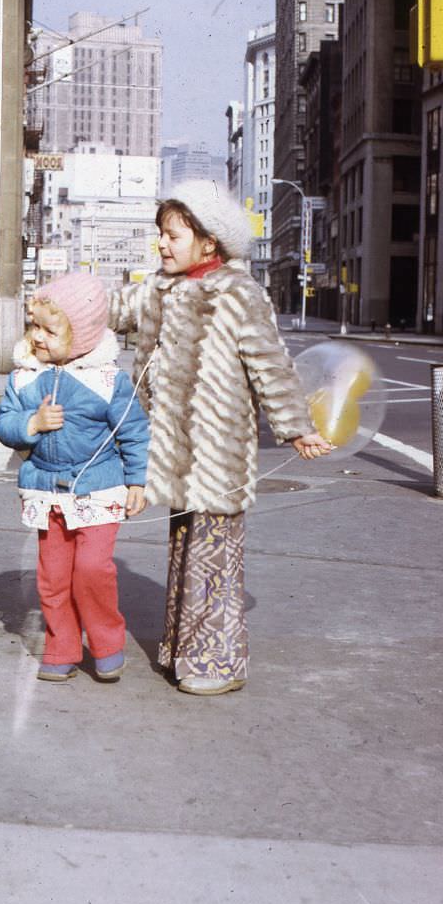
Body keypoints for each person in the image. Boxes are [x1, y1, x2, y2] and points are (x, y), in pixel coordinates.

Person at [108, 179, 331, 696]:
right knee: (185, 549)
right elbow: (108, 311)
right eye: (160, 235)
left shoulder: (238, 293)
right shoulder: (155, 289)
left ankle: (215, 664)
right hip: (172, 451)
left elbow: (269, 365)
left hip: (218, 451)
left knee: (213, 556)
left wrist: (295, 426)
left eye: (174, 236)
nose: (162, 245)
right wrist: (57, 312)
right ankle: (181, 652)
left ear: (209, 242)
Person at [0, 272, 149, 683]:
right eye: (34, 326)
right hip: (46, 489)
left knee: (93, 570)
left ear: (81, 335)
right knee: (53, 577)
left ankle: (106, 642)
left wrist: (137, 480)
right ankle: (62, 644)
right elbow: (4, 424)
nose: (37, 337)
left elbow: (133, 431)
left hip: (98, 488)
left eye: (49, 329)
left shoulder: (108, 380)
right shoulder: (24, 377)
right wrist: (31, 423)